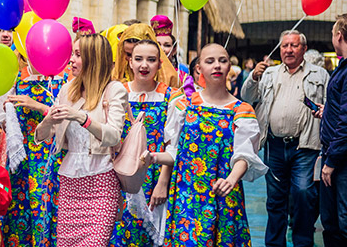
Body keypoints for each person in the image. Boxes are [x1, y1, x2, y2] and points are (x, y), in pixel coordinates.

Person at [157, 43, 267, 246]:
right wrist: (153, 160)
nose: (217, 65)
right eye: (210, 61)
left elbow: (245, 155)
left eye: (222, 61)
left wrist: (231, 179)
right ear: (199, 68)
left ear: (229, 68)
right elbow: (172, 148)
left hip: (224, 192)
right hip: (186, 192)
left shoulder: (242, 110)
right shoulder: (183, 105)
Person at [34, 33, 127, 247]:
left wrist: (82, 118)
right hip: (70, 184)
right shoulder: (67, 90)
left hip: (101, 183)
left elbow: (113, 135)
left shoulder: (114, 90)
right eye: (72, 54)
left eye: (78, 55)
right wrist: (48, 120)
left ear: (94, 58)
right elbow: (43, 137)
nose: (71, 60)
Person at [241, 30, 329, 247]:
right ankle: (274, 244)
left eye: (294, 45)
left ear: (304, 49)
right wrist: (253, 77)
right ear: (280, 49)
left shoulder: (319, 74)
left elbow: (330, 107)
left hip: (305, 146)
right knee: (275, 200)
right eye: (285, 46)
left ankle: (302, 243)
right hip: (275, 146)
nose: (288, 50)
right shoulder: (269, 73)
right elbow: (246, 97)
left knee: (302, 196)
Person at [0, 42, 75, 247]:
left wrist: (38, 107)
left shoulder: (67, 79)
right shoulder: (15, 79)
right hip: (21, 159)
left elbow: (72, 120)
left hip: (54, 157)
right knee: (19, 214)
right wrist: (8, 116)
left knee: (48, 211)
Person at [109, 40, 176, 247]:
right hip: (119, 174)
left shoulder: (171, 97)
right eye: (138, 59)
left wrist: (162, 183)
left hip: (154, 176)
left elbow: (171, 144)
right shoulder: (117, 91)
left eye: (151, 60)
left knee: (151, 236)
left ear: (159, 64)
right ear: (129, 62)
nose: (144, 65)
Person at [318, 13, 347, 246]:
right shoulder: (342, 68)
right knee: (331, 221)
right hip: (335, 154)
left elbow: (346, 122)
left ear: (339, 35)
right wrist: (326, 110)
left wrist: (331, 162)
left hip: (340, 159)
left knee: (341, 222)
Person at [113, 23, 180, 88]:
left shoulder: (170, 78)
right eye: (128, 54)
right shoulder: (116, 76)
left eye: (150, 59)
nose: (144, 65)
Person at [150, 15, 189, 82]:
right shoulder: (145, 73)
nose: (162, 49)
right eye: (158, 45)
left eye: (167, 45)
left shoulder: (183, 76)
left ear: (174, 50)